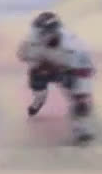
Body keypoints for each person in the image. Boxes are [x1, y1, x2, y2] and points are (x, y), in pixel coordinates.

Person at [17, 11, 96, 145]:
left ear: (54, 33)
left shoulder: (75, 46)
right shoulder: (30, 43)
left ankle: (81, 128)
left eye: (42, 33)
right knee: (39, 91)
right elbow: (22, 55)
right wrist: (38, 65)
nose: (39, 37)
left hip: (67, 70)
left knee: (80, 101)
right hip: (41, 68)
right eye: (38, 33)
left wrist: (82, 96)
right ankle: (38, 101)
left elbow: (85, 71)